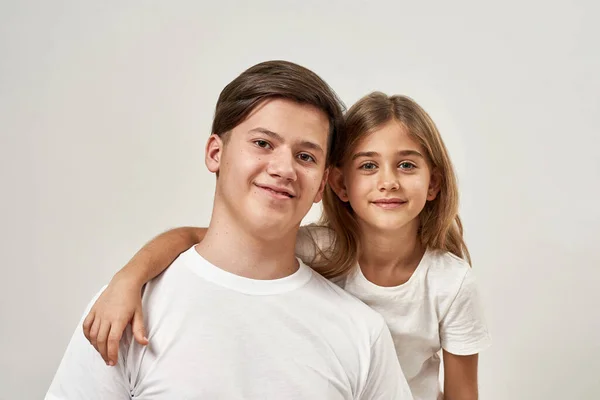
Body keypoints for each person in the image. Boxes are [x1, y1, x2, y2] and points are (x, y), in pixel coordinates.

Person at [84, 91, 492, 399]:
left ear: (434, 183)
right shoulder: (319, 249)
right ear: (340, 184)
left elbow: (460, 394)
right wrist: (129, 277)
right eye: (368, 165)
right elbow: (201, 240)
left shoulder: (450, 284)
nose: (388, 181)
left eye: (406, 165)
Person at [46, 61, 413, 399]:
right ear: (215, 153)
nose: (284, 168)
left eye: (306, 156)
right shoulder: (127, 310)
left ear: (321, 185)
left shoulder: (360, 333)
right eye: (262, 143)